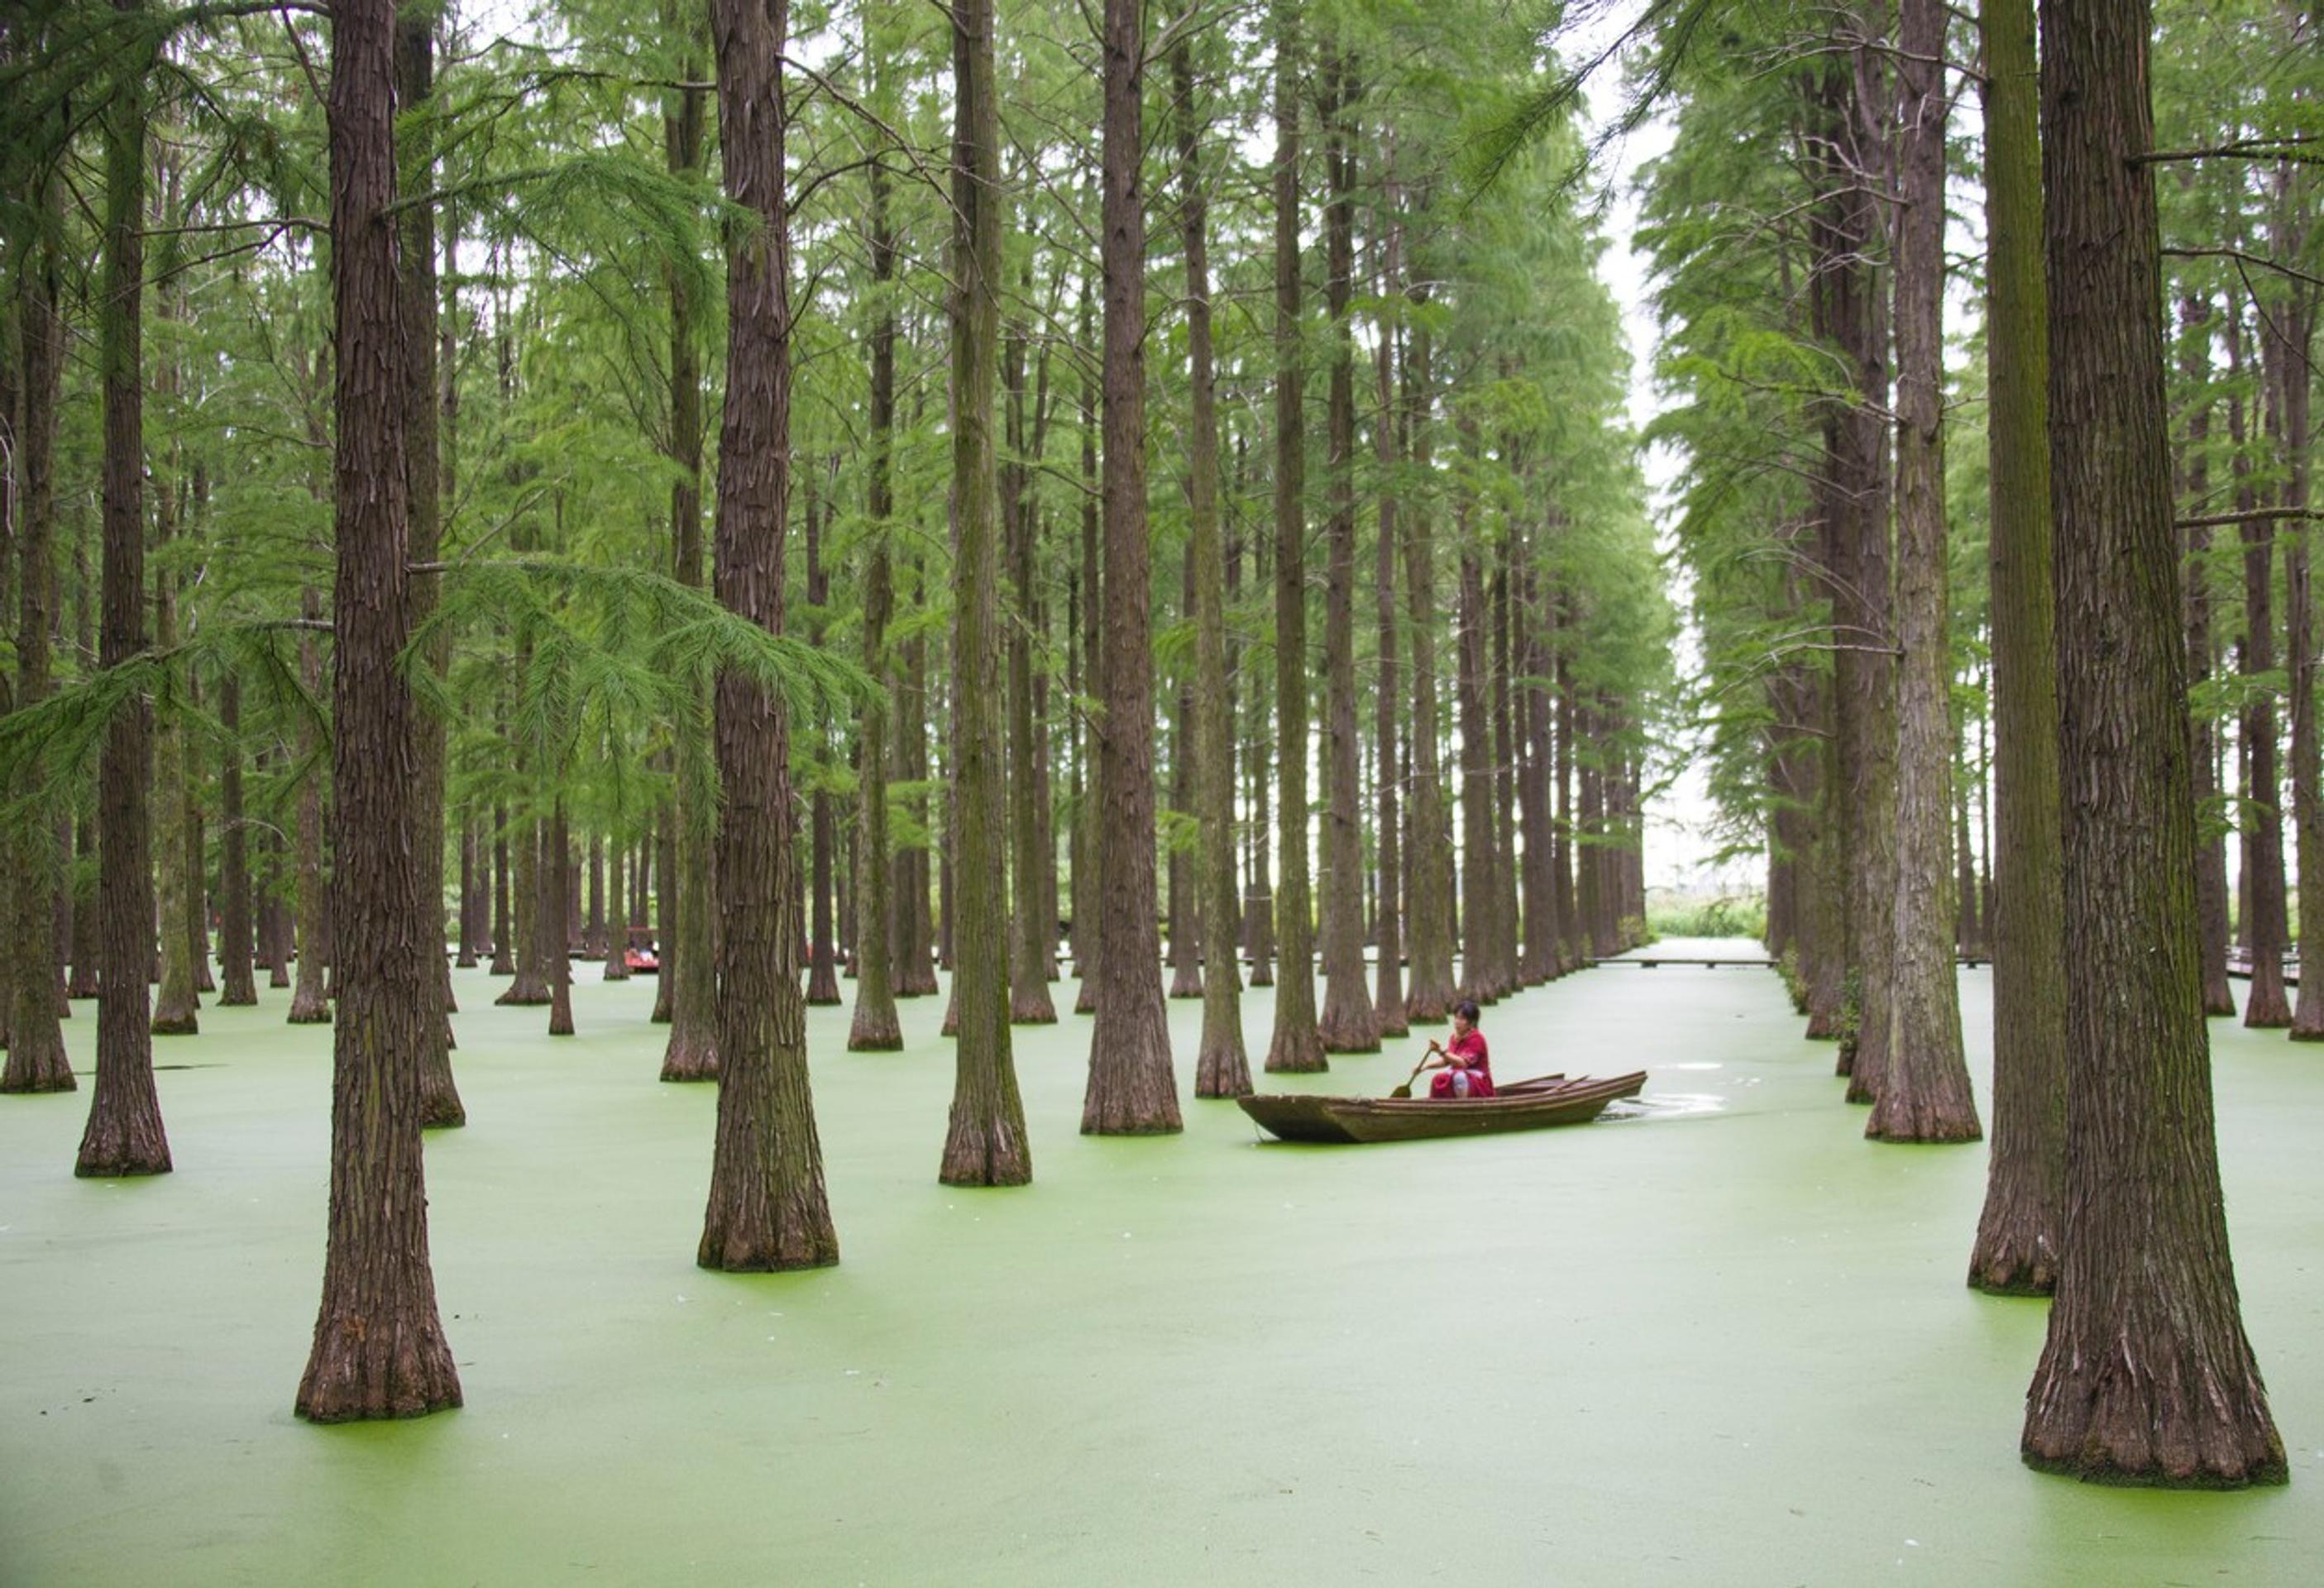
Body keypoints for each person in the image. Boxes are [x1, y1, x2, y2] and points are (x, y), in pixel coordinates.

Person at [1424, 1001, 1494, 1098]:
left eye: (1462, 1019)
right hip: (1460, 1072)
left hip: (1479, 1078)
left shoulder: (1477, 1039)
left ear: (1471, 1022)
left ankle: (1463, 1104)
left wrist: (1441, 1051)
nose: (1457, 1022)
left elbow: (1463, 1063)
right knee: (1438, 1078)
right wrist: (1425, 1067)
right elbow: (1447, 1060)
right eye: (1456, 1017)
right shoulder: (1454, 1038)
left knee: (1459, 1077)